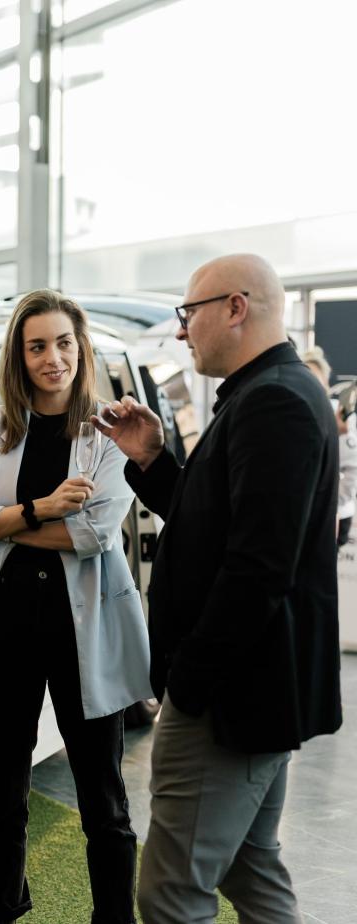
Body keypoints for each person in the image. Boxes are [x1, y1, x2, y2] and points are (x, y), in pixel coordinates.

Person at [92, 254, 342, 924]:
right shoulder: (265, 393)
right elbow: (218, 526)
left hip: (232, 701)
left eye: (188, 313)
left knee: (172, 893)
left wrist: (192, 680)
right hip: (249, 692)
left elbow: (259, 568)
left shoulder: (277, 402)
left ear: (236, 306)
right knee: (248, 869)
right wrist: (150, 459)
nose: (181, 332)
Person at [0, 288, 152, 924]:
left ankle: (113, 917)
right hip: (2, 629)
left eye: (63, 343)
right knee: (1, 789)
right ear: (19, 355)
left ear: (80, 348)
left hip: (84, 633)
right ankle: (4, 910)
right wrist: (40, 509)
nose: (53, 358)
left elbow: (94, 534)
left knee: (102, 794)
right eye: (37, 346)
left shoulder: (108, 432)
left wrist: (2, 523)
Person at [301, 346, 357, 548]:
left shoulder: (338, 415)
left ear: (325, 383)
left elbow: (352, 471)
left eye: (316, 380)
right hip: (305, 512)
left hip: (336, 513)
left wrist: (330, 504)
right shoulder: (297, 412)